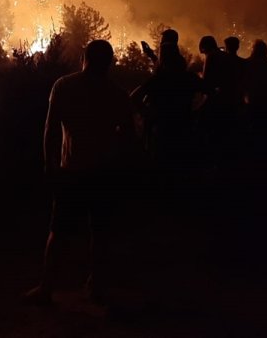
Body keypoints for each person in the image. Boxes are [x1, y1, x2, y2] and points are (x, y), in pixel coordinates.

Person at [24, 40, 134, 306]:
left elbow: (50, 128)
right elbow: (128, 135)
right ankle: (96, 287)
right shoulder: (117, 94)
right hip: (103, 172)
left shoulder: (64, 86)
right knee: (100, 231)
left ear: (83, 58)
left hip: (71, 170)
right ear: (109, 62)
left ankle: (47, 287)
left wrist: (49, 163)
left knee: (59, 230)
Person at [132, 30, 201, 169]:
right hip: (184, 131)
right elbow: (212, 91)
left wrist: (148, 113)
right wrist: (197, 112)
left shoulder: (158, 80)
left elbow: (134, 98)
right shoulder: (189, 78)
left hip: (161, 133)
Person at [243, 40, 267, 146]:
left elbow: (244, 81)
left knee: (254, 123)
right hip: (266, 98)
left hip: (253, 98)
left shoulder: (247, 62)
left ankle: (254, 146)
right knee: (265, 123)